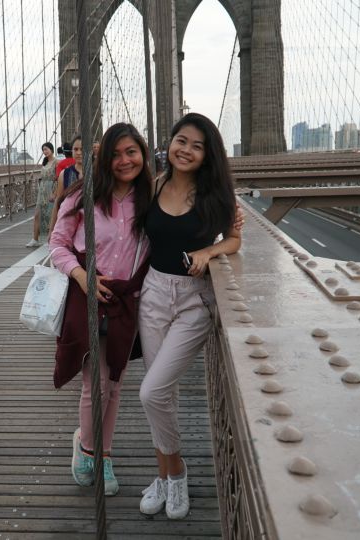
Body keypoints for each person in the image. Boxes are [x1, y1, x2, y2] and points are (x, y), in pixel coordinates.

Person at [137, 113, 242, 520]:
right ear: (171, 143)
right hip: (153, 293)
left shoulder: (215, 195)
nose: (186, 149)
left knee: (151, 391)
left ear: (206, 154)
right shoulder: (154, 186)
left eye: (197, 146)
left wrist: (208, 252)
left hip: (194, 301)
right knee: (161, 394)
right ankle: (162, 476)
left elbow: (234, 239)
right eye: (181, 140)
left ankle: (177, 472)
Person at [50, 123, 152, 497]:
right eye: (116, 154)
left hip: (128, 301)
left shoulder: (150, 198)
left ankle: (103, 455)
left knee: (115, 383)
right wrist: (82, 276)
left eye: (132, 152)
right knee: (96, 384)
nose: (124, 161)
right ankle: (89, 449)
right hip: (88, 297)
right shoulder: (83, 197)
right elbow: (57, 244)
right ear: (104, 159)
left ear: (142, 153)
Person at [48, 135, 83, 233]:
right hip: (69, 226)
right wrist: (52, 229)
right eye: (75, 149)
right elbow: (58, 202)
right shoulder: (64, 174)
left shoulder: (97, 173)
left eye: (82, 149)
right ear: (71, 151)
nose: (79, 152)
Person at [25, 142, 56, 247]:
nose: (45, 152)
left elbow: (58, 178)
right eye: (43, 150)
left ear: (52, 149)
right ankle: (35, 239)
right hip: (42, 191)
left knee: (50, 215)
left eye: (46, 149)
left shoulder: (57, 162)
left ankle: (51, 239)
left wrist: (55, 193)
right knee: (37, 214)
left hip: (51, 190)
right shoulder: (45, 162)